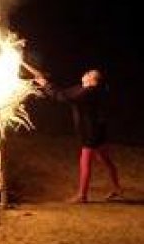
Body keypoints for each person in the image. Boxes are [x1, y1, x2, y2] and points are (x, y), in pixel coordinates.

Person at [34, 69, 123, 203]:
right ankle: (117, 188)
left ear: (93, 81)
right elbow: (63, 92)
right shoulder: (85, 89)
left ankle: (82, 195)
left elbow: (63, 97)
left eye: (89, 74)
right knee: (104, 159)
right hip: (98, 130)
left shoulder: (89, 92)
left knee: (85, 161)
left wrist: (46, 85)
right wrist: (47, 83)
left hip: (91, 132)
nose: (85, 73)